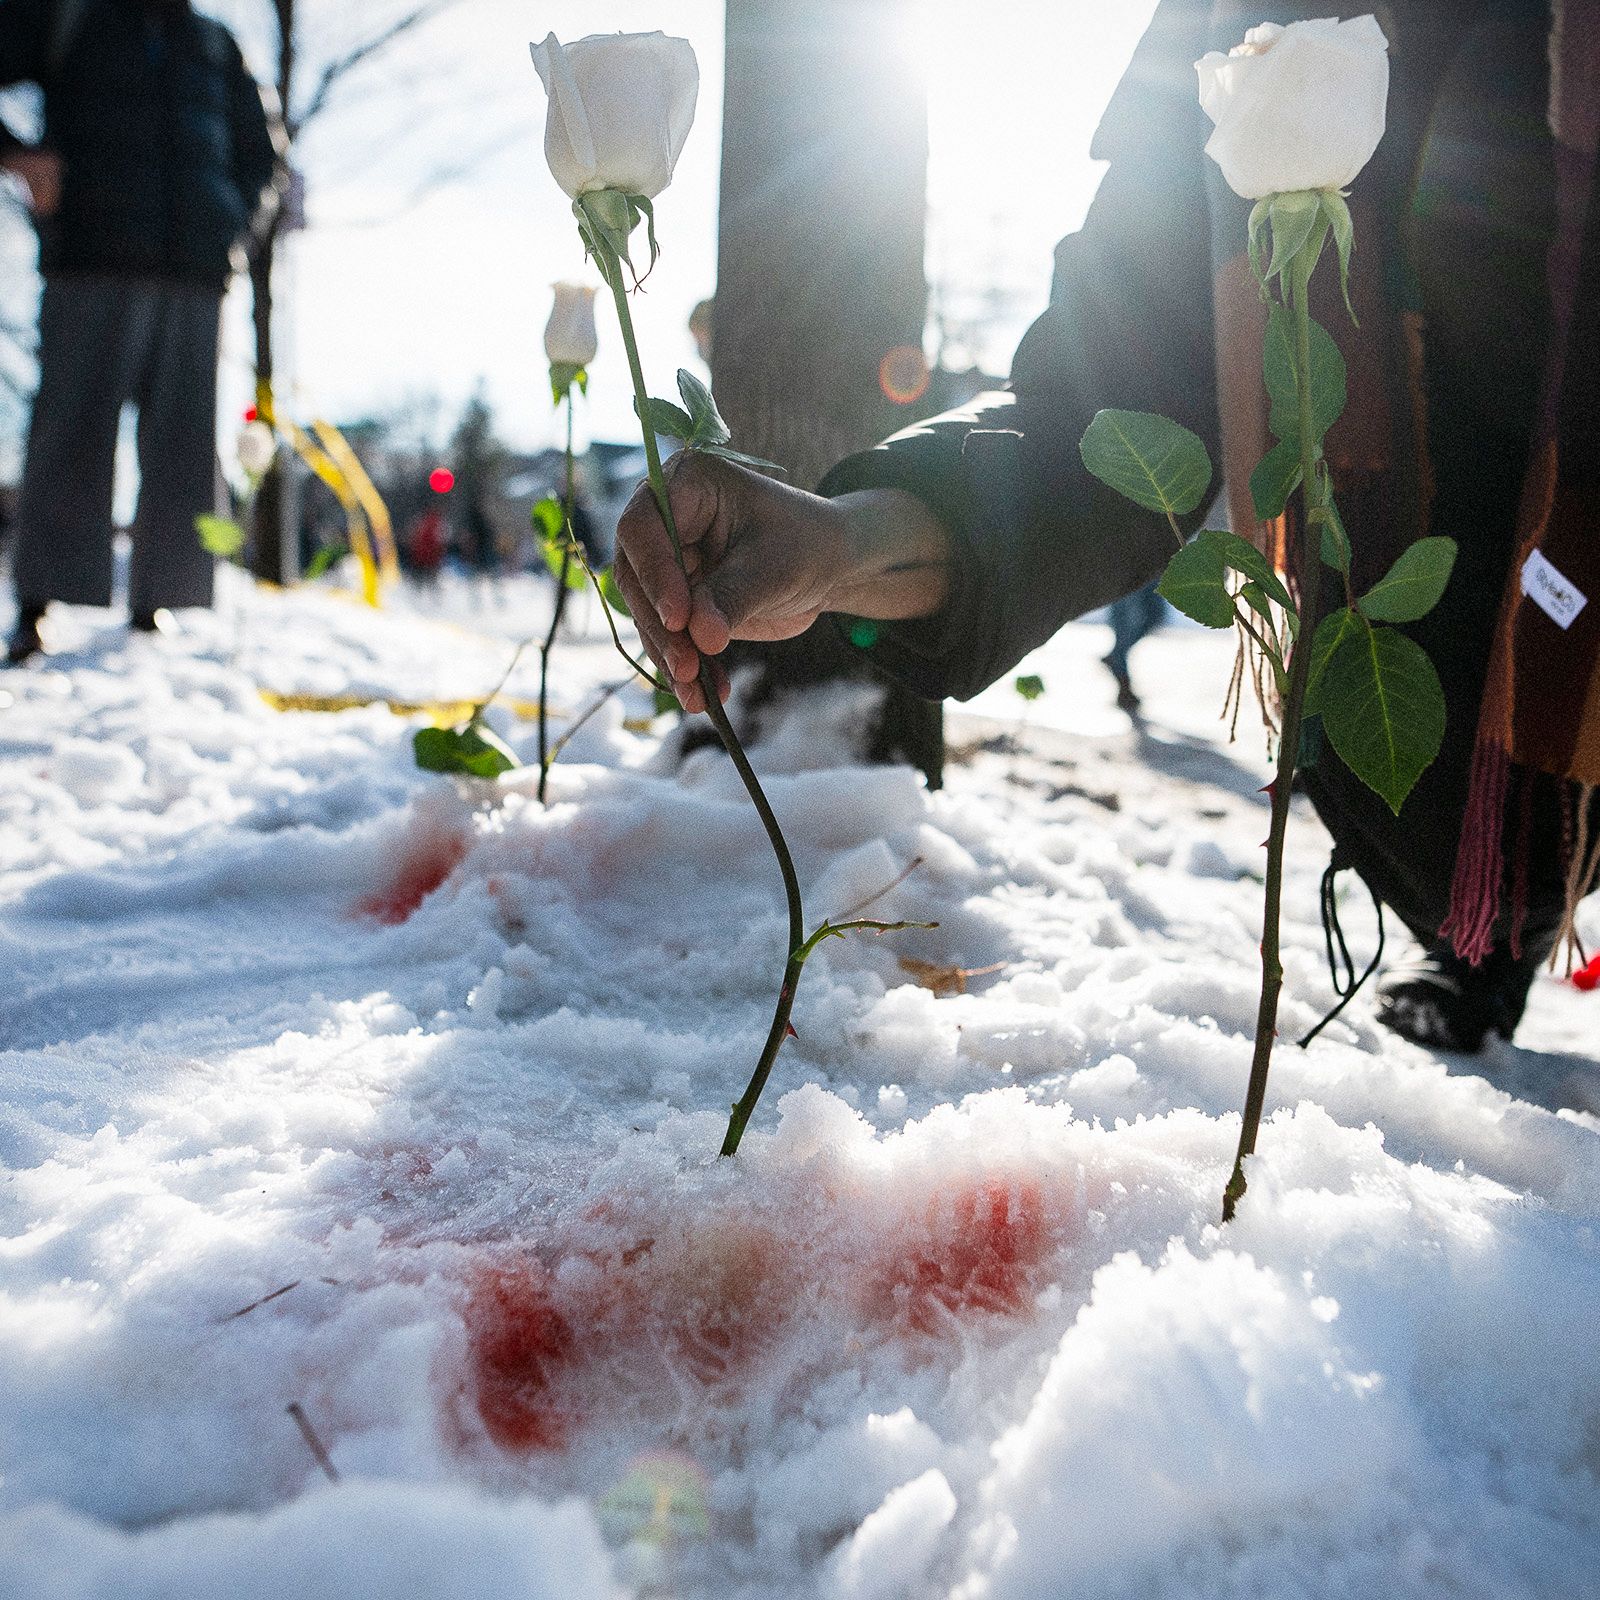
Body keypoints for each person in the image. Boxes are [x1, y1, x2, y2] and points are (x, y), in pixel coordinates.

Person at [615, 0, 1600, 1056]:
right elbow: (1107, 392)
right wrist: (848, 537)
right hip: (1457, 762)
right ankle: (1480, 930)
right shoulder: (1236, 27)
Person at [0, 0, 280, 665]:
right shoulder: (64, 17)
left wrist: (231, 226)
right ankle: (40, 601)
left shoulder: (215, 42)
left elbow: (265, 154)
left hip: (196, 270)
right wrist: (18, 156)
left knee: (184, 442)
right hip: (90, 255)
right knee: (69, 429)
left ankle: (161, 605)